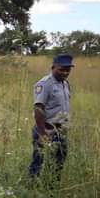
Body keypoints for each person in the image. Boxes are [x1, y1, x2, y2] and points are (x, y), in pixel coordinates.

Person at [28, 53, 73, 182]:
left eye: (67, 70)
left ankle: (52, 189)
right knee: (38, 162)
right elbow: (38, 109)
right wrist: (42, 134)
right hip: (46, 130)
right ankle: (33, 189)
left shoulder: (65, 83)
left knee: (59, 162)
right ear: (53, 67)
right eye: (61, 70)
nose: (65, 73)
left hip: (61, 130)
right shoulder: (44, 84)